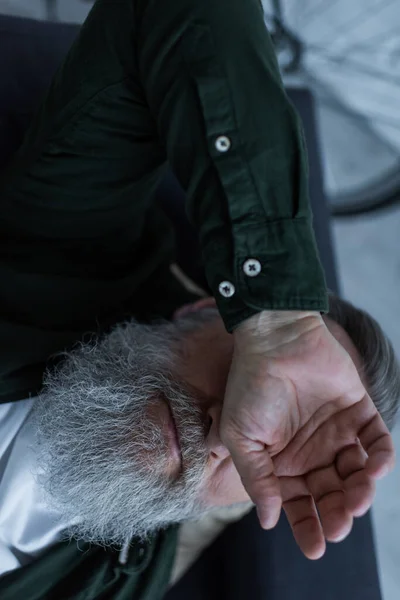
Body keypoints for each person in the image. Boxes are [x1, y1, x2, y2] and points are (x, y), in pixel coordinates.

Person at [0, 0, 396, 597]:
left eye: (272, 445)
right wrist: (281, 322)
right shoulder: (64, 261)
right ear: (203, 309)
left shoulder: (117, 581)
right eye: (248, 379)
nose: (220, 432)